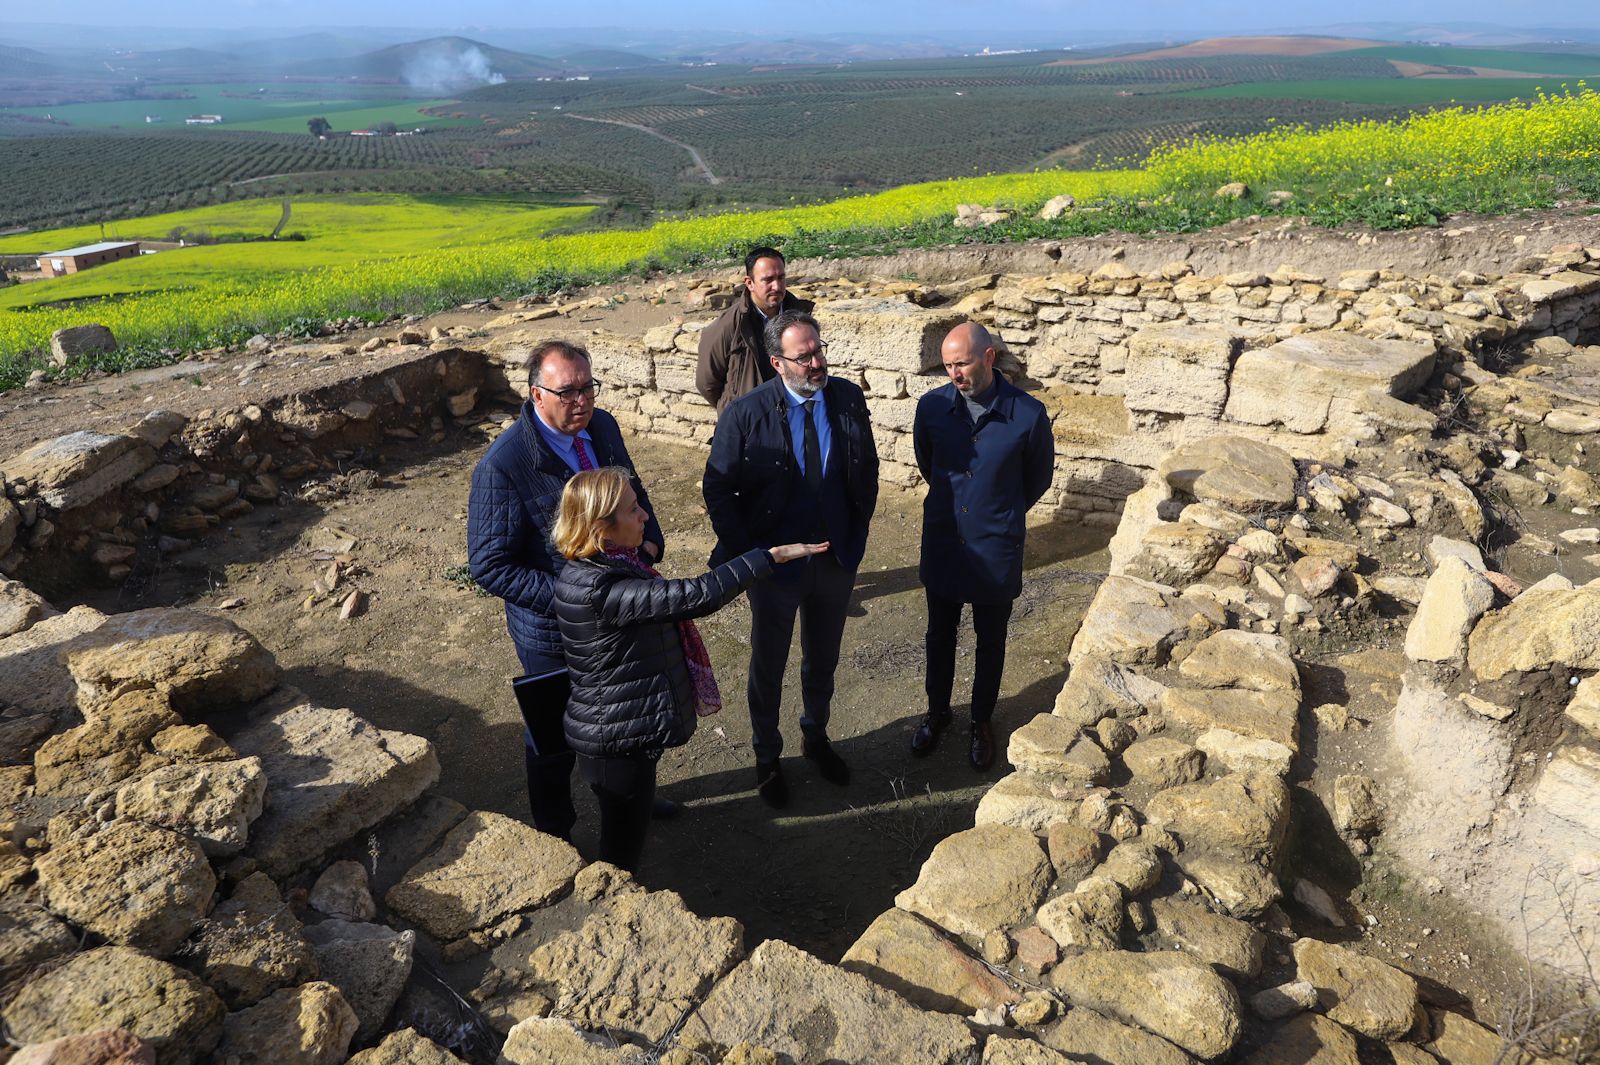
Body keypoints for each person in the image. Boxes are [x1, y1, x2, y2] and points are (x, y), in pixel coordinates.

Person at [552, 467, 827, 870]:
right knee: (620, 857)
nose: (645, 515)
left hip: (615, 726)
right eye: (633, 510)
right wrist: (769, 556)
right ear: (601, 528)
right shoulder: (605, 589)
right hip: (618, 740)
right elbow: (696, 595)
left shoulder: (602, 566)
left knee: (629, 810)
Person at [467, 340, 668, 841]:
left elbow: (631, 491)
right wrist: (576, 598)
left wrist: (651, 543)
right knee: (553, 739)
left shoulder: (602, 428)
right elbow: (491, 565)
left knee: (623, 718)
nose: (582, 401)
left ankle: (630, 797)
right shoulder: (505, 464)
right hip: (553, 631)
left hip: (621, 613)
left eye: (588, 388)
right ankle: (556, 829)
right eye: (568, 392)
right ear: (536, 395)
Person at [703, 310, 879, 807]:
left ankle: (815, 737)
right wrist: (751, 556)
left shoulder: (847, 396)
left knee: (822, 658)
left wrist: (856, 531)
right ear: (778, 363)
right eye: (805, 357)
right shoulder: (745, 413)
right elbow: (718, 486)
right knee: (769, 663)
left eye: (820, 350)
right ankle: (767, 756)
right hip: (775, 566)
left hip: (835, 559)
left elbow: (866, 466)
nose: (818, 362)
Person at [909, 322, 1054, 771]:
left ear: (989, 358)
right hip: (945, 541)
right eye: (948, 365)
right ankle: (937, 713)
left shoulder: (1028, 414)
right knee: (939, 635)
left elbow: (1038, 479)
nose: (955, 374)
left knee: (991, 639)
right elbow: (928, 463)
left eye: (963, 363)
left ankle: (980, 721)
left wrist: (999, 512)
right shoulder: (931, 407)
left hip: (995, 547)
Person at [696, 246, 815, 414]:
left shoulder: (800, 317)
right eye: (768, 280)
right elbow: (706, 382)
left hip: (795, 415)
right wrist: (734, 409)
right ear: (749, 283)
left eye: (781, 278)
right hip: (749, 422)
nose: (777, 286)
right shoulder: (729, 325)